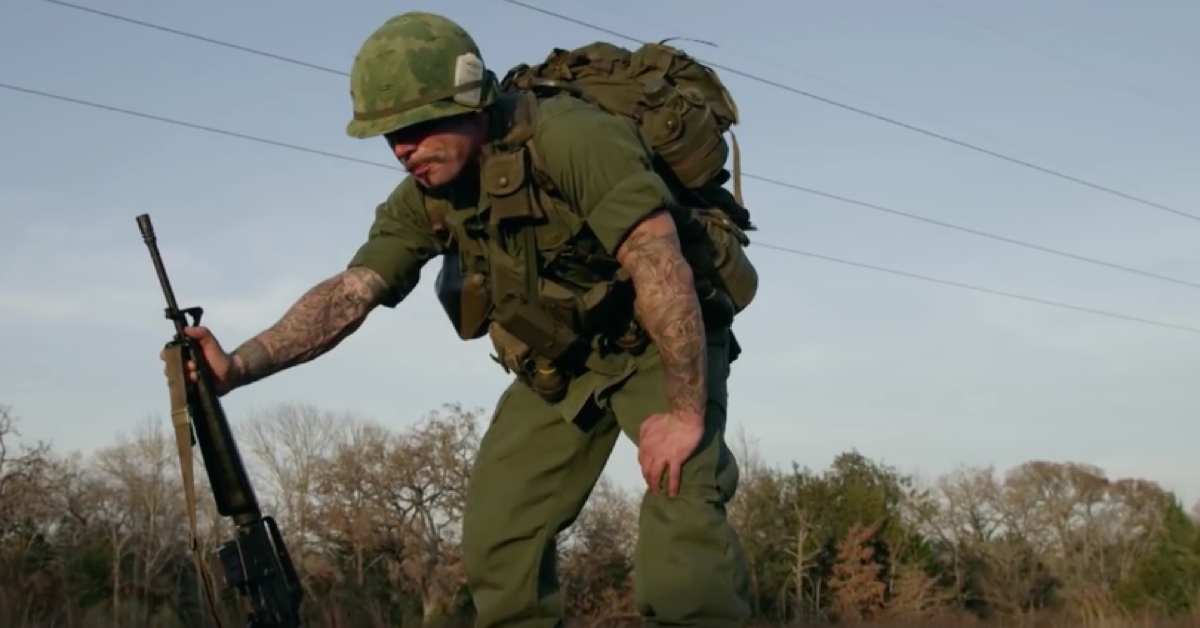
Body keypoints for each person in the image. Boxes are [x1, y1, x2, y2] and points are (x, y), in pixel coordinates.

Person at [165, 10, 753, 628]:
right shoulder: (427, 198)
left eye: (416, 128)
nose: (402, 149)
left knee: (683, 517)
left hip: (659, 342)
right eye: (389, 137)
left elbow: (661, 265)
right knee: (499, 538)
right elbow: (351, 292)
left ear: (469, 101)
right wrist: (239, 366)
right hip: (566, 360)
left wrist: (685, 416)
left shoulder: (573, 138)